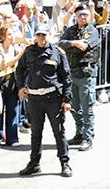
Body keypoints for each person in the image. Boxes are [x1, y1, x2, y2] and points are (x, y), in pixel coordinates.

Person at [15, 23, 72, 177]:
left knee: (58, 132)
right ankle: (34, 163)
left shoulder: (57, 53)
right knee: (35, 133)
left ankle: (64, 162)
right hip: (34, 98)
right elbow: (19, 70)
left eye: (44, 35)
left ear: (49, 35)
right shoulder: (28, 52)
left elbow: (66, 77)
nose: (41, 38)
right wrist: (21, 87)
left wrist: (67, 100)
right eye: (39, 34)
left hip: (52, 97)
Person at [57, 3, 99, 152]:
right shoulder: (71, 30)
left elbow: (84, 47)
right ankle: (79, 133)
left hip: (86, 73)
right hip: (72, 74)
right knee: (74, 106)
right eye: (80, 15)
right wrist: (73, 42)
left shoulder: (92, 31)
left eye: (85, 14)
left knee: (87, 106)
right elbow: (60, 43)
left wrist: (70, 46)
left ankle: (88, 137)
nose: (82, 17)